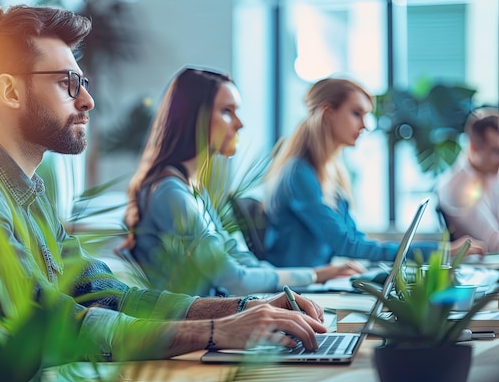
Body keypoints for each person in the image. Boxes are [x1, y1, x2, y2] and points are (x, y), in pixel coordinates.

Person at [0, 5, 327, 382]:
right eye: (68, 83)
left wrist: (244, 308)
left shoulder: (26, 192)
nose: (88, 101)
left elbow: (107, 294)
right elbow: (53, 324)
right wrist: (218, 333)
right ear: (9, 90)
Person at [122, 67, 365, 297]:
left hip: (221, 314)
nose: (239, 124)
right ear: (196, 118)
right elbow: (235, 279)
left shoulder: (194, 190)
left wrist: (312, 277)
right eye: (227, 112)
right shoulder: (170, 193)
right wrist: (316, 275)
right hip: (198, 330)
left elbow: (243, 260)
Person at [262, 77, 486, 268]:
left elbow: (353, 239)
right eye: (356, 113)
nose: (365, 125)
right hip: (297, 293)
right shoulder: (298, 173)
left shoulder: (330, 173)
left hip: (320, 283)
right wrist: (439, 252)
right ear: (328, 114)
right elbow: (347, 246)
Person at [436, 107, 499, 252]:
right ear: (473, 147)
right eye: (496, 151)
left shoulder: (491, 172)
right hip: (478, 270)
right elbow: (494, 242)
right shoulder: (457, 187)